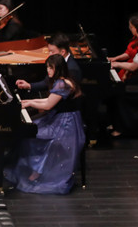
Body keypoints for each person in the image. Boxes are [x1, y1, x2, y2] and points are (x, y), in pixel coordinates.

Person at [5, 54, 86, 194]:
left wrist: (30, 103)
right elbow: (49, 100)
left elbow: (48, 105)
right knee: (32, 128)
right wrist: (30, 102)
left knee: (33, 136)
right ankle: (35, 170)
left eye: (51, 68)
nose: (48, 70)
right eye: (47, 67)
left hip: (66, 125)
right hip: (62, 119)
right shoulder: (63, 81)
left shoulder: (62, 84)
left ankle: (37, 171)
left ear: (58, 68)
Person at [14, 32, 83, 91]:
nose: (49, 54)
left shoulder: (72, 69)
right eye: (49, 51)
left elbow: (65, 94)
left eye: (52, 51)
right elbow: (47, 82)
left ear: (62, 52)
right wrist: (29, 85)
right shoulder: (57, 62)